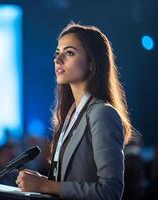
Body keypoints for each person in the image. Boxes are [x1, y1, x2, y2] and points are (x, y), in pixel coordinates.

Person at [15, 22, 133, 200]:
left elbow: (110, 192)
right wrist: (43, 182)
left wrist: (45, 185)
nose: (58, 59)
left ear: (92, 63)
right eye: (57, 53)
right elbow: (69, 182)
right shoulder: (70, 114)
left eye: (69, 53)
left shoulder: (102, 113)